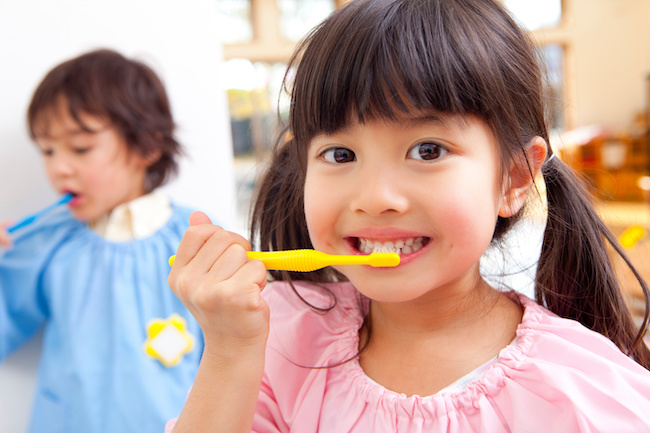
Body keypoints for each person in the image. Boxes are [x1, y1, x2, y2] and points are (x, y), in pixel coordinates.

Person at [166, 0, 650, 431]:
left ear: (515, 179)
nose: (375, 198)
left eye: (427, 149)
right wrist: (230, 350)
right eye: (340, 155)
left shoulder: (584, 394)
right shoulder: (278, 340)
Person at [0, 49, 203, 433]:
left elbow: (239, 360)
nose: (59, 167)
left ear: (148, 145)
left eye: (80, 148)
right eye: (47, 150)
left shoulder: (196, 242)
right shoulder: (46, 243)